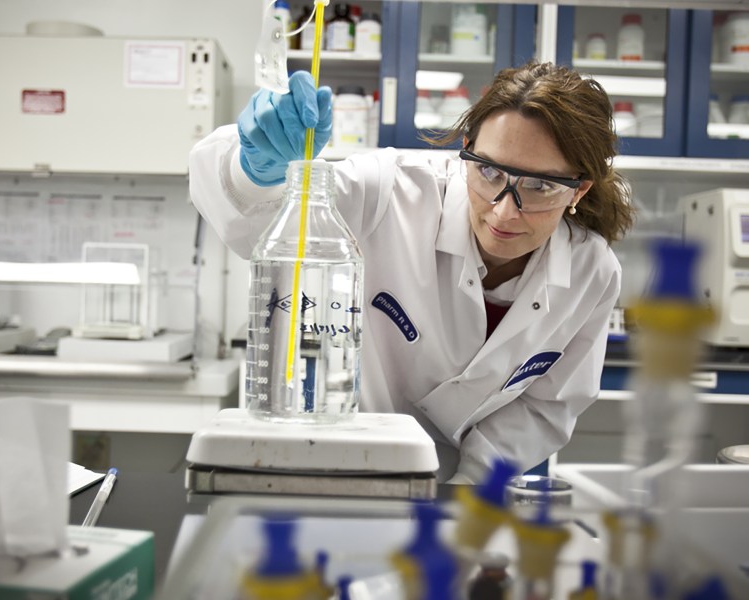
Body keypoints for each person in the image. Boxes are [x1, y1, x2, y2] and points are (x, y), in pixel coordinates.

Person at [189, 62, 634, 482]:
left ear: (579, 191)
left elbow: (541, 409)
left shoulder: (591, 274)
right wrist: (255, 172)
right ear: (467, 151)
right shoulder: (390, 193)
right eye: (488, 171)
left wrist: (466, 491)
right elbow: (263, 227)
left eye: (539, 187)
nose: (503, 211)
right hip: (332, 470)